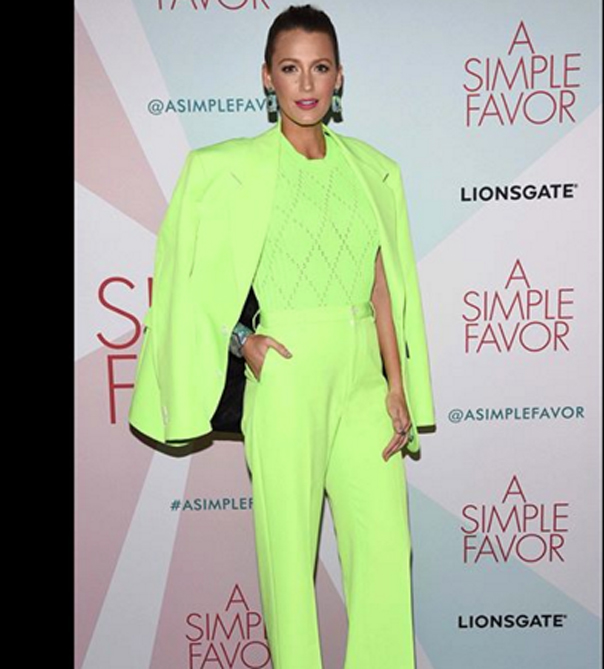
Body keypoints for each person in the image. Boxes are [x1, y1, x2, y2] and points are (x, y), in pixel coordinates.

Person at [129, 5, 436, 668]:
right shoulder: (226, 169)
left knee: (386, 551)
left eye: (319, 68)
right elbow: (189, 281)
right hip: (287, 370)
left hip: (365, 377)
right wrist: (243, 339)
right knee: (289, 558)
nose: (306, 83)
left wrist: (397, 386)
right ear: (267, 77)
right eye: (290, 68)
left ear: (339, 76)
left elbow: (384, 286)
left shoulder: (373, 170)